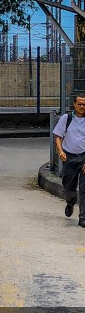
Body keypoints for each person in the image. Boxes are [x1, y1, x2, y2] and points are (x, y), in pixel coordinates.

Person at [53, 93, 85, 227]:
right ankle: (70, 202)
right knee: (69, 187)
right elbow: (58, 136)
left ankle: (83, 217)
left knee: (84, 188)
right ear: (74, 104)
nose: (82, 107)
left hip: (83, 157)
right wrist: (60, 151)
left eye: (84, 104)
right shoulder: (67, 118)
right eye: (80, 104)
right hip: (70, 157)